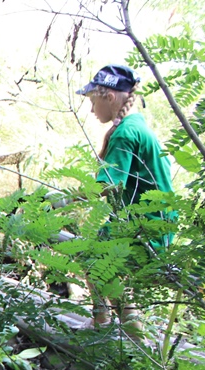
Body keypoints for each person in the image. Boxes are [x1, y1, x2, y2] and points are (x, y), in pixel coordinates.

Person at [77, 64, 175, 332]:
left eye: (92, 101)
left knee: (94, 261)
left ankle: (123, 331)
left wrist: (61, 199)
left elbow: (107, 186)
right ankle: (108, 323)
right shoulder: (136, 125)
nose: (91, 109)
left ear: (108, 97)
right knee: (98, 262)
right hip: (153, 219)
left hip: (146, 225)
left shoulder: (125, 133)